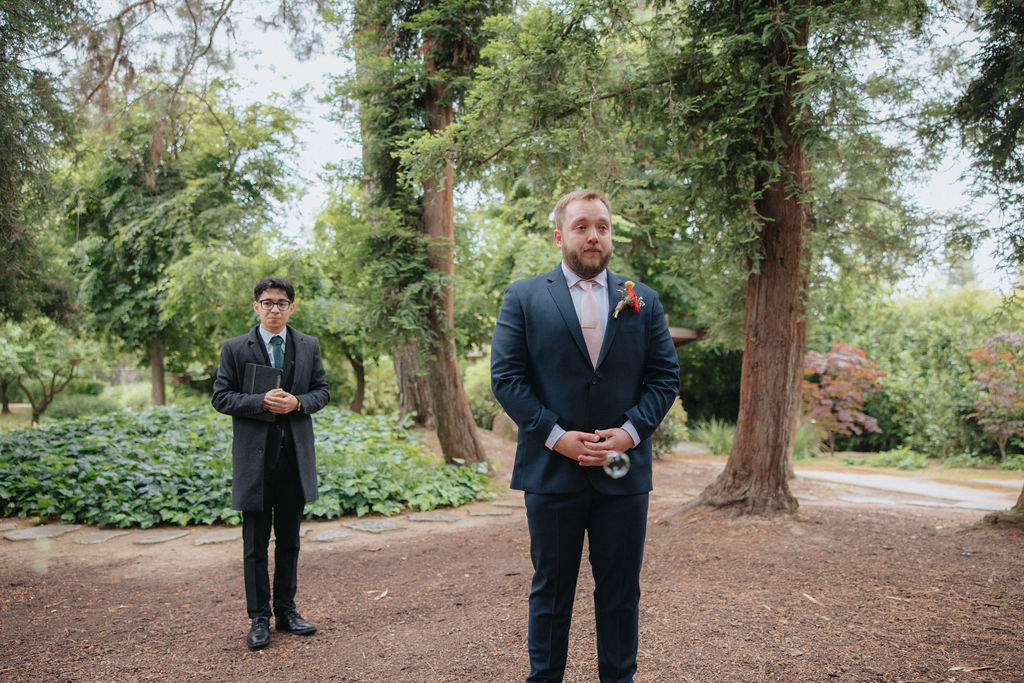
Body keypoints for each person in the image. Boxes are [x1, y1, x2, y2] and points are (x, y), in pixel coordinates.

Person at [490, 189, 680, 682]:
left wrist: (628, 434)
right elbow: (507, 379)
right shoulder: (524, 296)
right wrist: (557, 437)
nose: (594, 234)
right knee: (551, 590)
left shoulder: (642, 299)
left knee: (620, 591)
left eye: (602, 226)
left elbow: (664, 379)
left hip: (623, 471)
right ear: (560, 235)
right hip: (552, 471)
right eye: (581, 226)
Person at [212, 276, 330, 650]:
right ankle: (258, 618)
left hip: (294, 458)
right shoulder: (234, 348)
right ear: (256, 307)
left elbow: (322, 391)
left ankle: (287, 611)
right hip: (255, 462)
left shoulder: (308, 346)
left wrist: (298, 403)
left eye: (281, 303)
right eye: (267, 302)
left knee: (290, 542)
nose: (274, 309)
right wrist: (259, 401)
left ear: (292, 308)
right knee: (254, 544)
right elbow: (221, 397)